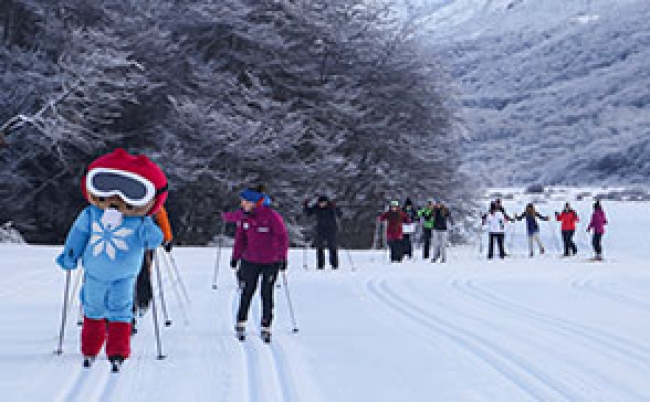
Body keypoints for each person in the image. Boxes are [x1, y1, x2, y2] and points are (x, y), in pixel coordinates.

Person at [55, 148, 166, 369]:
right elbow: (79, 234)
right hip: (95, 271)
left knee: (121, 309)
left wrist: (148, 227)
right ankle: (90, 346)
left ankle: (118, 349)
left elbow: (154, 240)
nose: (116, 200)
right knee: (93, 306)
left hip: (125, 274)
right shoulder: (91, 214)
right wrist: (71, 254)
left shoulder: (138, 222)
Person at [231, 187, 289, 342]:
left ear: (253, 202)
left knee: (267, 292)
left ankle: (266, 325)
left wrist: (283, 257)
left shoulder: (271, 217)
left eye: (244, 201)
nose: (241, 204)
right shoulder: (244, 217)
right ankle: (241, 321)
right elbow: (240, 239)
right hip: (250, 260)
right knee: (247, 290)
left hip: (271, 261)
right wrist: (235, 257)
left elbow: (283, 237)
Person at [133, 206, 173, 332]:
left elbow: (160, 213)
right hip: (122, 240)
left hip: (145, 241)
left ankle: (142, 300)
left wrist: (166, 237)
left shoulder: (150, 195)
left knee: (142, 273)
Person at [303, 195, 342, 269]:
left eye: (323, 203)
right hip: (320, 229)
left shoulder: (331, 207)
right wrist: (305, 205)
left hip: (331, 229)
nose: (322, 204)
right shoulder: (317, 207)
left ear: (327, 202)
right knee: (320, 247)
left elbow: (339, 214)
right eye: (320, 203)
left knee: (332, 247)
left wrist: (336, 208)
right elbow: (309, 213)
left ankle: (334, 264)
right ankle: (320, 265)